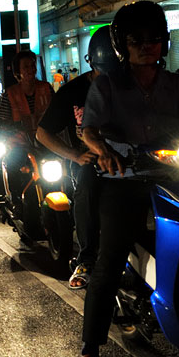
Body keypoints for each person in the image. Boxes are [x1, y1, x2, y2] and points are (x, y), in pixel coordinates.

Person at [76, 1, 179, 357]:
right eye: (136, 40)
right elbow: (89, 131)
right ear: (122, 44)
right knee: (108, 262)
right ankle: (89, 351)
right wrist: (104, 152)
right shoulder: (106, 85)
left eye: (154, 38)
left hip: (175, 178)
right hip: (124, 180)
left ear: (165, 42)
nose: (146, 46)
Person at [35, 26, 118, 290]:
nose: (109, 79)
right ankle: (87, 257)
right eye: (103, 72)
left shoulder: (130, 88)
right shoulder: (73, 92)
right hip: (90, 162)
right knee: (87, 185)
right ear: (91, 64)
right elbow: (42, 133)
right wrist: (74, 154)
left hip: (131, 159)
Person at [0, 51, 54, 142]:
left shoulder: (46, 88)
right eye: (26, 67)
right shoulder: (9, 94)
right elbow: (3, 122)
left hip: (48, 140)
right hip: (20, 144)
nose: (31, 69)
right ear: (18, 71)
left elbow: (56, 112)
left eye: (33, 65)